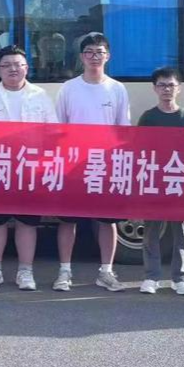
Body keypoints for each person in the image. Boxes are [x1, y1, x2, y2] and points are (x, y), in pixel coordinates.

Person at [0, 45, 57, 290]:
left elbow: (52, 132)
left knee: (27, 222)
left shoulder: (40, 95)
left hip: (30, 169)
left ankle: (25, 272)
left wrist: (46, 164)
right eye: (6, 65)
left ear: (26, 68)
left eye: (17, 65)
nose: (12, 69)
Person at [55, 34, 131, 293]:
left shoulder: (117, 89)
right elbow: (59, 127)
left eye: (99, 52)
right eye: (89, 52)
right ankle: (64, 271)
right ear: (81, 57)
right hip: (73, 163)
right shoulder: (69, 88)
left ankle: (106, 272)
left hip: (105, 163)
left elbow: (123, 129)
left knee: (107, 220)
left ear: (108, 56)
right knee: (68, 220)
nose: (94, 57)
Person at [136, 67, 184, 296]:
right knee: (151, 232)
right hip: (155, 181)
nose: (166, 89)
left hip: (180, 181)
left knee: (182, 232)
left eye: (171, 85)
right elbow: (139, 148)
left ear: (179, 88)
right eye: (162, 85)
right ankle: (151, 277)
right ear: (155, 88)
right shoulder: (148, 117)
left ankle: (180, 278)